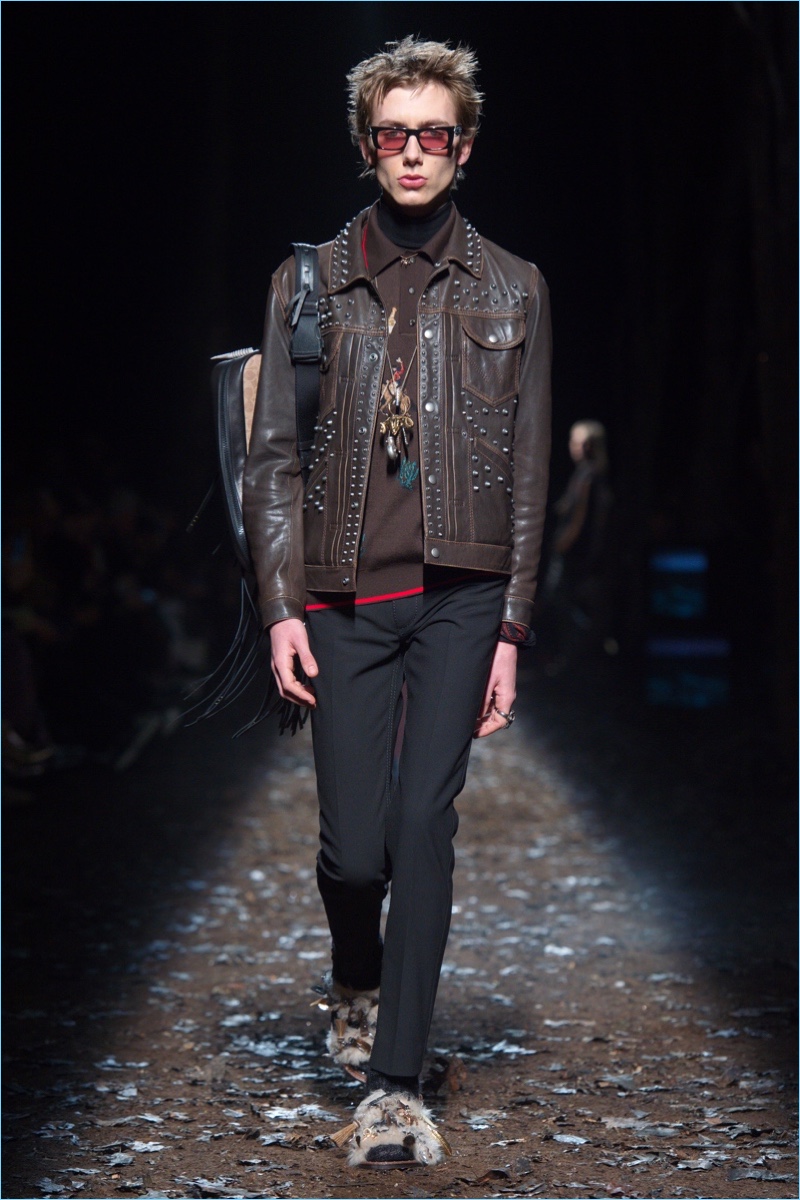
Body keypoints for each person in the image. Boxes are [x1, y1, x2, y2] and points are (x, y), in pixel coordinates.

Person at [242, 36, 551, 1167]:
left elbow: (528, 472)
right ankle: (357, 976)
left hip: (462, 593)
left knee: (424, 823)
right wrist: (281, 607)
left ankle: (394, 1084)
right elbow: (272, 458)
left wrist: (510, 626)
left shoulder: (515, 287)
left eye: (434, 134)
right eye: (393, 133)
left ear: (464, 148)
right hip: (339, 597)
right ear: (366, 146)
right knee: (353, 856)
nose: (413, 152)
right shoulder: (307, 283)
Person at [540, 420, 614, 671]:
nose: (572, 446)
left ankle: (570, 661)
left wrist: (561, 546)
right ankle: (569, 659)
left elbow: (580, 521)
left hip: (573, 556)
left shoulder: (588, 477)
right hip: (577, 555)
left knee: (562, 604)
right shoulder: (587, 474)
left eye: (577, 441)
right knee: (565, 604)